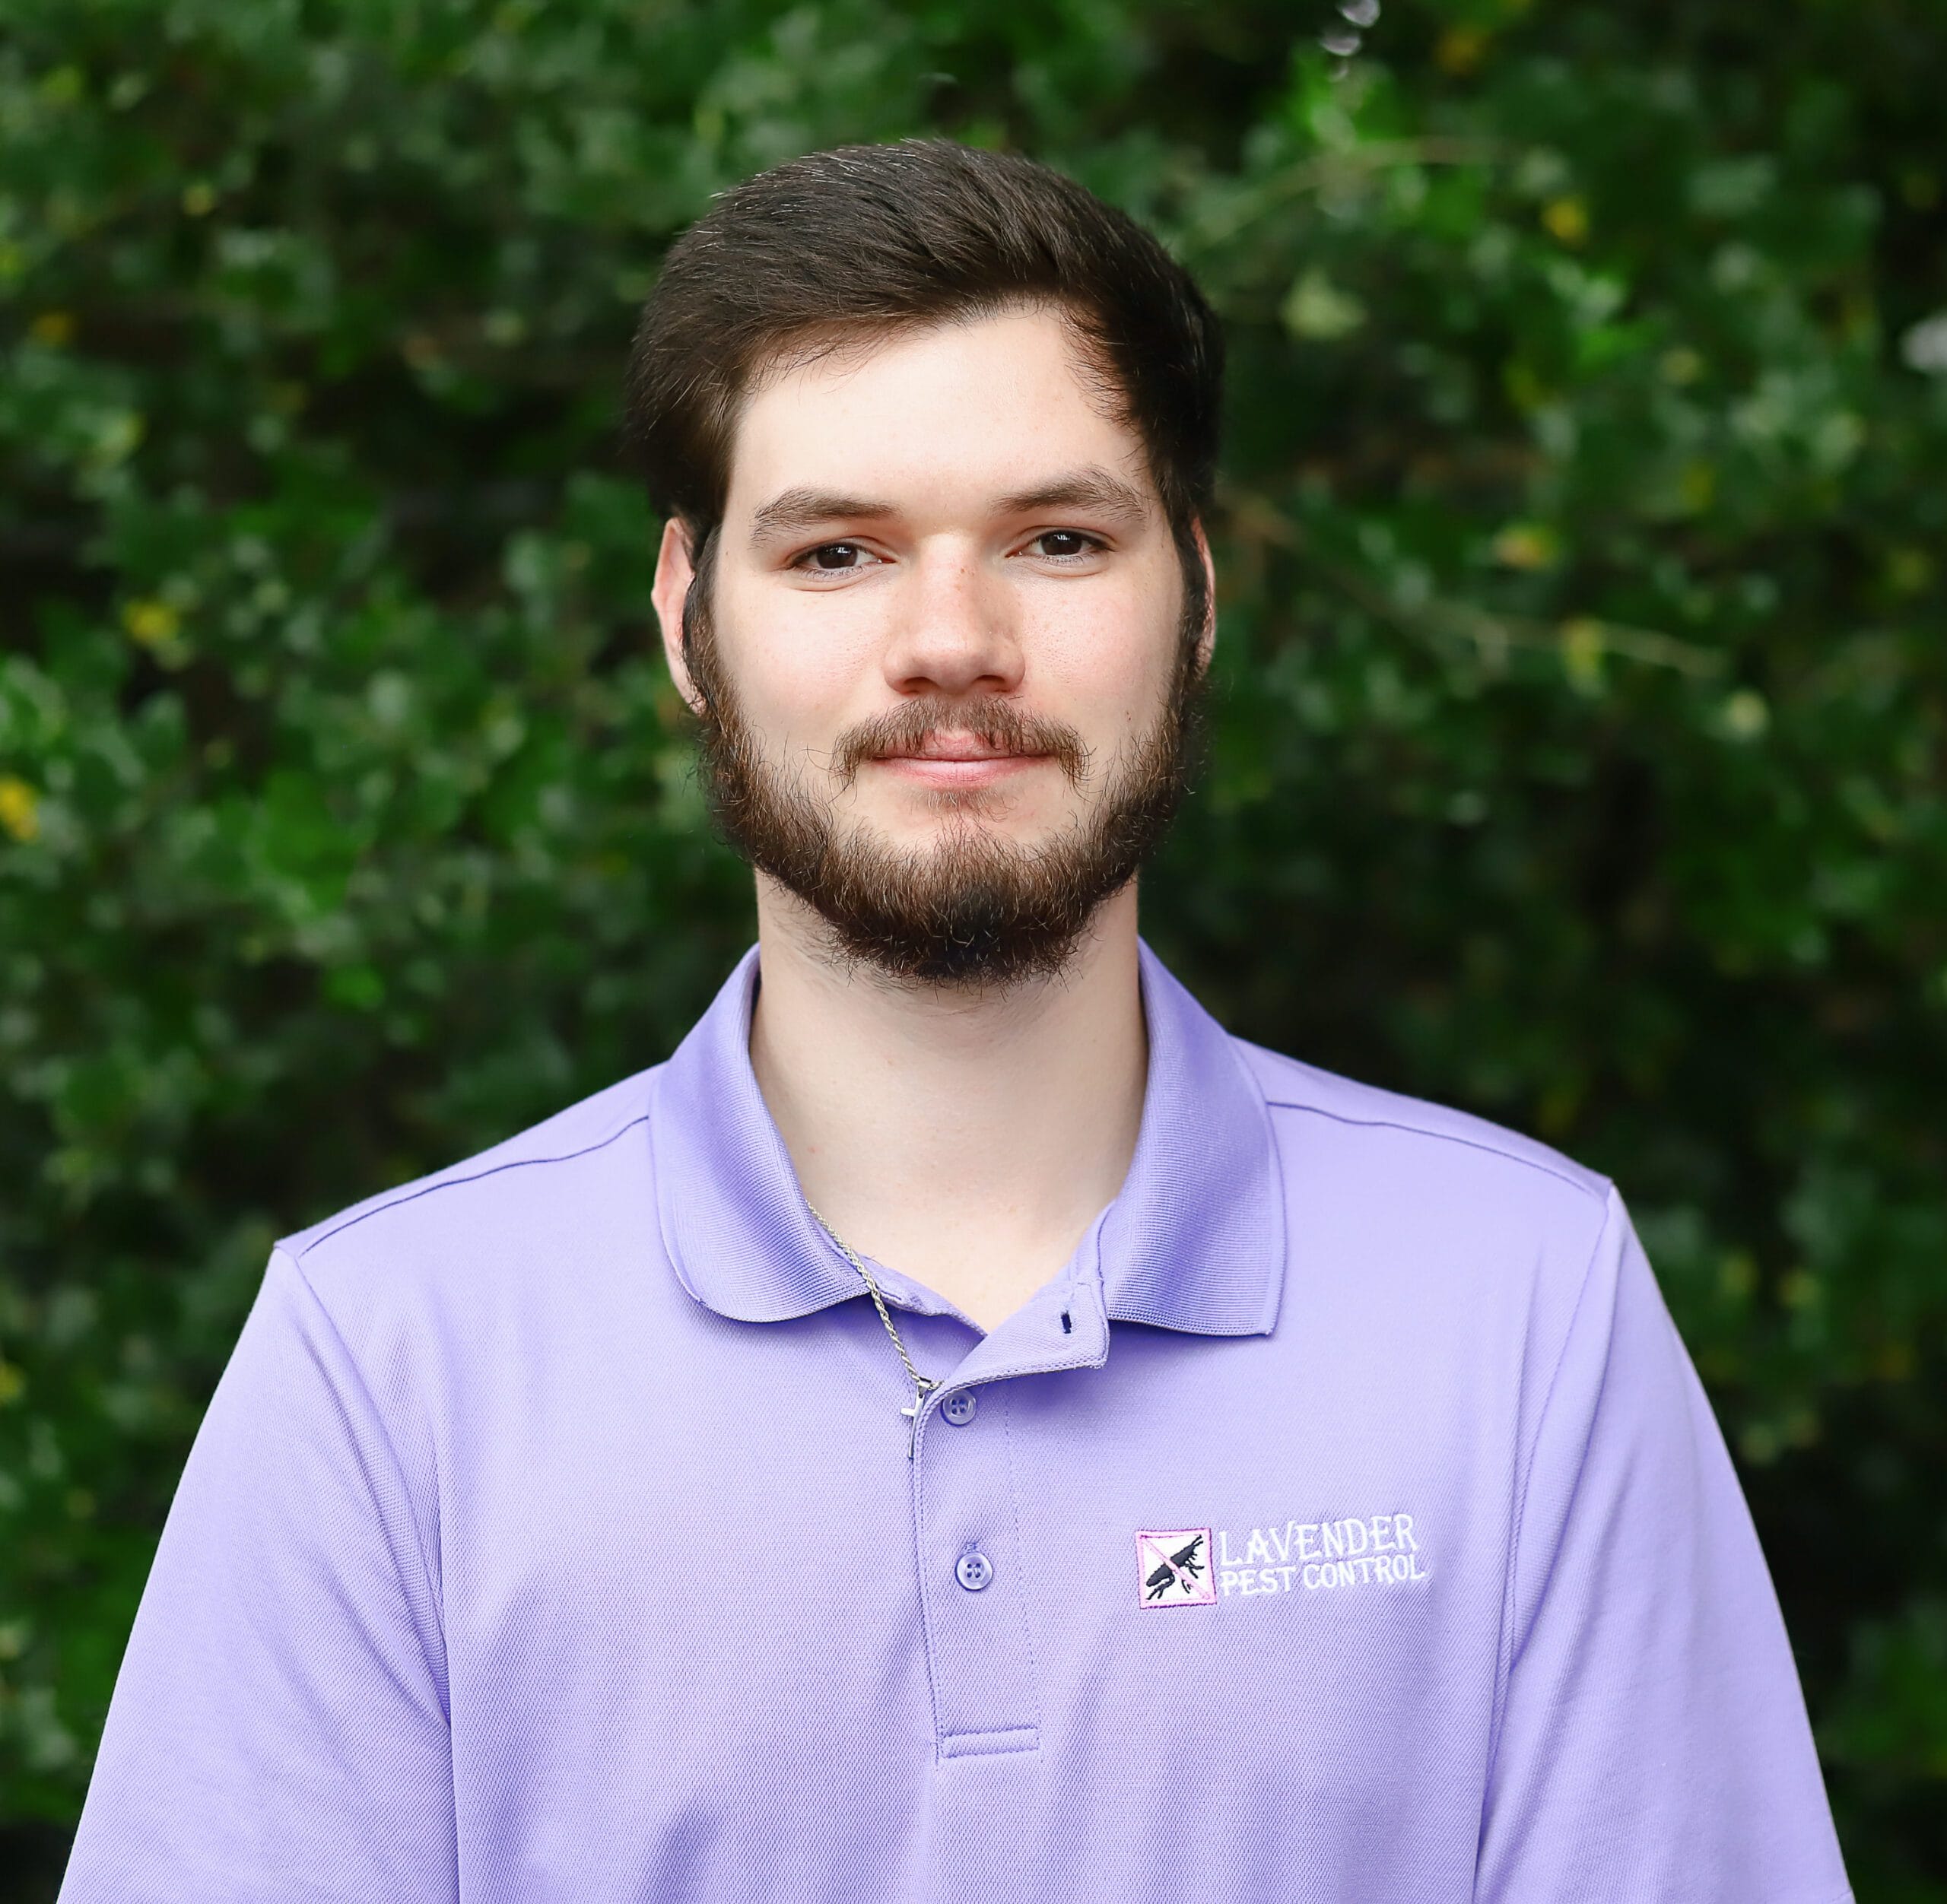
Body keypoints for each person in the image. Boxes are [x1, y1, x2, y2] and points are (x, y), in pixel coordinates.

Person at [59, 139, 1853, 1903]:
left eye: (1055, 538)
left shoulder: (1524, 1304)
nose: (951, 639)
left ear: (1198, 598)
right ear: (690, 624)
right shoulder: (389, 1364)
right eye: (836, 554)